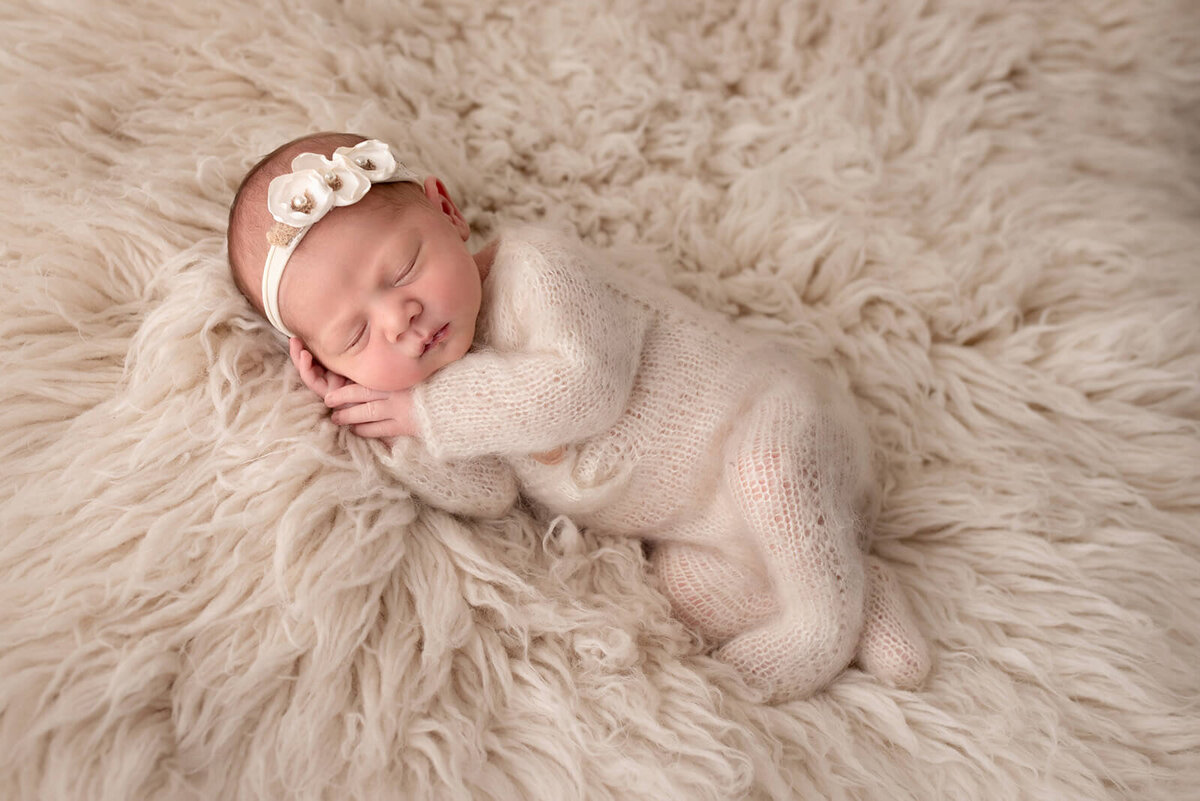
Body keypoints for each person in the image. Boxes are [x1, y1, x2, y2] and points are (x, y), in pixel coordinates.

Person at [226, 131, 931, 701]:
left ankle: (822, 623)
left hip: (776, 418)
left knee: (768, 467)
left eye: (404, 267)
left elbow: (585, 387)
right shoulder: (446, 397)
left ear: (446, 211)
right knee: (688, 593)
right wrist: (391, 429)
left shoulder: (536, 270)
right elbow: (490, 493)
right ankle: (851, 582)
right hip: (706, 527)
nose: (399, 317)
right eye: (355, 336)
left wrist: (425, 406)